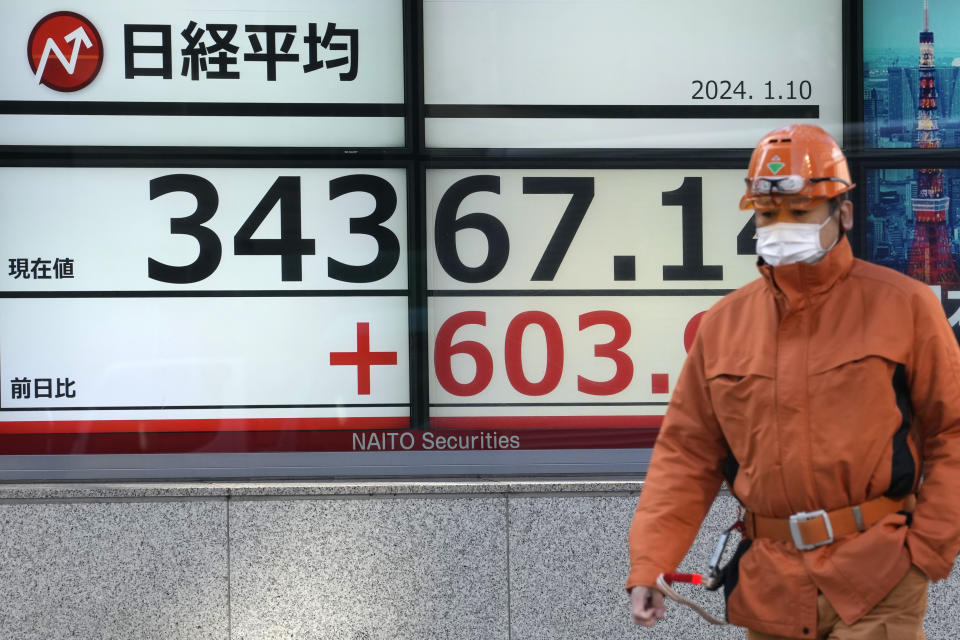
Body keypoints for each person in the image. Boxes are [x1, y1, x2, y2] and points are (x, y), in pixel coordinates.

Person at [626, 124, 960, 639]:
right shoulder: (723, 325)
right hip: (772, 585)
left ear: (842, 214)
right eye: (768, 214)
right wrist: (650, 562)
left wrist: (929, 550)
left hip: (877, 576)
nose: (782, 226)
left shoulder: (905, 307)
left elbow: (951, 430)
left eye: (800, 213)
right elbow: (686, 453)